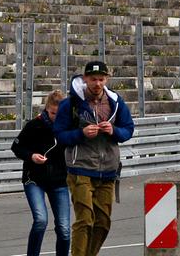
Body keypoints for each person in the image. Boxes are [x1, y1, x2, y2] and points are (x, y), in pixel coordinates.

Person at [54, 61, 135, 256]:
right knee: (85, 219)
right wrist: (81, 133)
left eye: (101, 79)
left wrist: (113, 131)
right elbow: (59, 134)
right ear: (85, 79)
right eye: (92, 79)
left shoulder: (116, 102)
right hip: (80, 167)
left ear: (106, 79)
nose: (97, 83)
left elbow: (128, 130)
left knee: (103, 222)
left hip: (108, 169)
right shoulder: (71, 104)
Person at [12, 90, 71, 256]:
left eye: (59, 114)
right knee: (40, 220)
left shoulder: (67, 126)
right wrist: (31, 156)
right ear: (47, 109)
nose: (55, 117)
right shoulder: (34, 125)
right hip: (34, 179)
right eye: (53, 113)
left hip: (59, 181)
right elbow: (16, 147)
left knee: (64, 228)